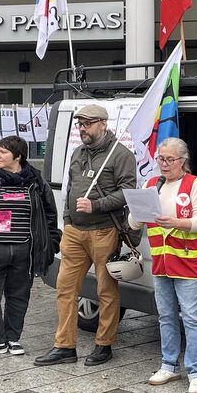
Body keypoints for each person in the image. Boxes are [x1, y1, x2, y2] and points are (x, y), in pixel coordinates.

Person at [35, 104, 136, 367]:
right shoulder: (78, 153)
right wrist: (68, 220)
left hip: (104, 231)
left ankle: (104, 344)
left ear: (103, 124)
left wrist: (96, 206)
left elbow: (128, 192)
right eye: (80, 124)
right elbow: (70, 188)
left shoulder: (121, 154)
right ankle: (64, 346)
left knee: (106, 290)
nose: (82, 128)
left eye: (88, 123)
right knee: (65, 288)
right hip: (75, 232)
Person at [0, 135, 60, 356]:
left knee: (18, 297)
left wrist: (51, 244)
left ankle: (13, 338)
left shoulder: (37, 183)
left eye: (3, 152)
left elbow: (50, 217)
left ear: (18, 156)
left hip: (25, 254)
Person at [128, 138, 197, 393]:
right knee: (165, 316)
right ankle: (169, 365)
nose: (164, 164)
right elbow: (133, 223)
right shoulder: (152, 184)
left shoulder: (194, 184)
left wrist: (176, 222)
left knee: (193, 319)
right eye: (161, 159)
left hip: (188, 262)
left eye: (170, 159)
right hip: (162, 262)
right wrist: (136, 213)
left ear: (183, 160)